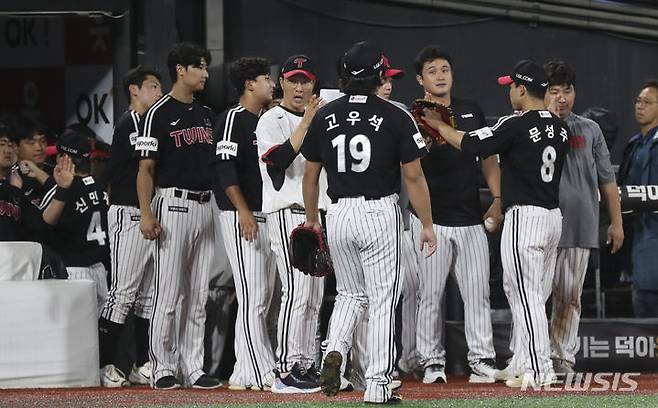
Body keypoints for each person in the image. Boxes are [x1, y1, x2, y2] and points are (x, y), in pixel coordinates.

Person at [302, 40, 437, 404]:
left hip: (339, 213)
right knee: (381, 301)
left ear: (344, 76)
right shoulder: (395, 115)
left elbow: (310, 176)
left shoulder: (324, 114)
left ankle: (336, 350)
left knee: (348, 295)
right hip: (379, 213)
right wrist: (426, 222)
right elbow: (414, 177)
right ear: (379, 74)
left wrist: (313, 219)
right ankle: (377, 386)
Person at [423, 59, 570, 387]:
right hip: (551, 218)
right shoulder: (561, 127)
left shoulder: (515, 124)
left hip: (527, 217)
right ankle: (521, 360)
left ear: (521, 88)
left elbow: (473, 144)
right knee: (529, 291)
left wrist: (439, 125)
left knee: (525, 292)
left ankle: (538, 367)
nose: (508, 91)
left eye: (511, 85)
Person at [411, 45, 501, 384]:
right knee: (429, 295)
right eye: (432, 70)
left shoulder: (470, 109)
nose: (440, 75)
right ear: (420, 79)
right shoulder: (412, 115)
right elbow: (409, 169)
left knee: (478, 293)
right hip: (430, 221)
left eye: (444, 69)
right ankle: (431, 363)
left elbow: (488, 156)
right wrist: (427, 137)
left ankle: (482, 360)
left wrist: (497, 196)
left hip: (469, 218)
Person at [135, 42, 219, 390]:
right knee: (168, 294)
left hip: (205, 205)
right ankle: (162, 366)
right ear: (180, 70)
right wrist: (145, 212)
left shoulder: (206, 114)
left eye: (205, 67)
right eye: (198, 66)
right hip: (173, 204)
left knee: (199, 295)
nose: (205, 73)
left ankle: (193, 367)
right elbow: (145, 169)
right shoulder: (158, 113)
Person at [543, 59, 624, 373]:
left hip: (580, 226)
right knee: (534, 296)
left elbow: (608, 180)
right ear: (543, 92)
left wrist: (616, 223)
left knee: (570, 297)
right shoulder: (529, 127)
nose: (562, 98)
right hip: (539, 228)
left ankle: (561, 357)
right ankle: (532, 356)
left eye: (567, 90)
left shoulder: (590, 129)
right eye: (554, 91)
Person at [255, 54, 327, 393]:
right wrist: (308, 122)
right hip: (287, 211)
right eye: (293, 80)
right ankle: (285, 370)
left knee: (314, 296)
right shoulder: (272, 118)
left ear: (314, 84)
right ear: (281, 81)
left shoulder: (320, 119)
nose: (299, 87)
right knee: (297, 292)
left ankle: (305, 363)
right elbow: (278, 161)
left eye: (306, 80)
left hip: (317, 214)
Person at [211, 57, 279, 391]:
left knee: (262, 297)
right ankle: (263, 369)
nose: (272, 83)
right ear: (249, 84)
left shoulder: (267, 120)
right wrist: (242, 211)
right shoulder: (232, 119)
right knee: (254, 296)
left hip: (265, 214)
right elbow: (225, 170)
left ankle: (242, 372)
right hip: (242, 216)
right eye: (266, 78)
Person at [97, 66, 163, 388]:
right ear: (134, 90)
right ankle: (104, 363)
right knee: (122, 293)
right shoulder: (132, 122)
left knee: (148, 296)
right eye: (152, 86)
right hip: (128, 211)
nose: (158, 92)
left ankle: (141, 364)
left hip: (148, 212)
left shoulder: (150, 121)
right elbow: (144, 165)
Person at [39, 130, 110, 312]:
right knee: (94, 336)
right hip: (99, 272)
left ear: (66, 159)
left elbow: (44, 222)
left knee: (72, 336)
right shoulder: (99, 185)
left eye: (59, 155)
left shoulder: (63, 190)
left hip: (73, 272)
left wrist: (61, 188)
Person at [618, 79, 658, 318]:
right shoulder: (634, 145)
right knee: (643, 321)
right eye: (638, 101)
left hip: (653, 237)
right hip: (637, 239)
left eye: (647, 102)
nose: (640, 106)